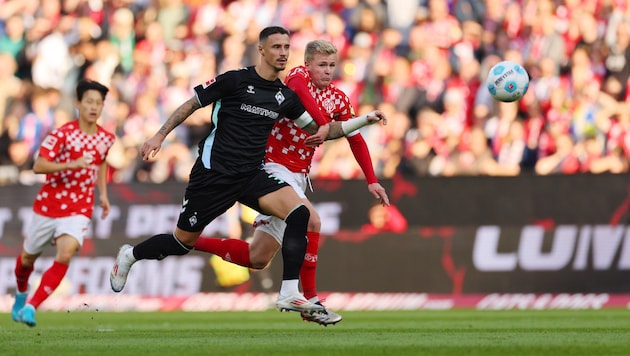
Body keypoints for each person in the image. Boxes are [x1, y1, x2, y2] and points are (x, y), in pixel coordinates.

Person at [109, 26, 386, 314]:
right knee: (181, 242)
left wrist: (365, 119)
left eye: (286, 47)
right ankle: (131, 254)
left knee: (300, 214)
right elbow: (192, 104)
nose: (282, 53)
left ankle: (289, 293)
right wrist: (159, 135)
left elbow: (321, 131)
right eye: (276, 47)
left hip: (252, 175)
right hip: (214, 175)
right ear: (262, 50)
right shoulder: (235, 80)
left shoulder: (283, 96)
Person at [193, 39, 391, 325]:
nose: (327, 71)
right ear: (308, 64)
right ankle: (311, 301)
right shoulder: (298, 77)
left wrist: (371, 180)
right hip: (271, 166)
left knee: (257, 257)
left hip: (298, 175)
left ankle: (188, 242)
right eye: (321, 65)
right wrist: (323, 123)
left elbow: (354, 137)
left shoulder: (339, 98)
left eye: (332, 65)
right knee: (312, 221)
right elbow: (299, 93)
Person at [12, 79, 115, 327]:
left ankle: (31, 307)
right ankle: (21, 294)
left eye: (99, 103)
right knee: (27, 260)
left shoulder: (106, 139)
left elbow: (100, 162)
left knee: (66, 252)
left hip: (79, 206)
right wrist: (71, 164)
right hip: (49, 205)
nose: (94, 107)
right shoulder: (61, 134)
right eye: (89, 101)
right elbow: (38, 165)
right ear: (78, 103)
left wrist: (102, 194)